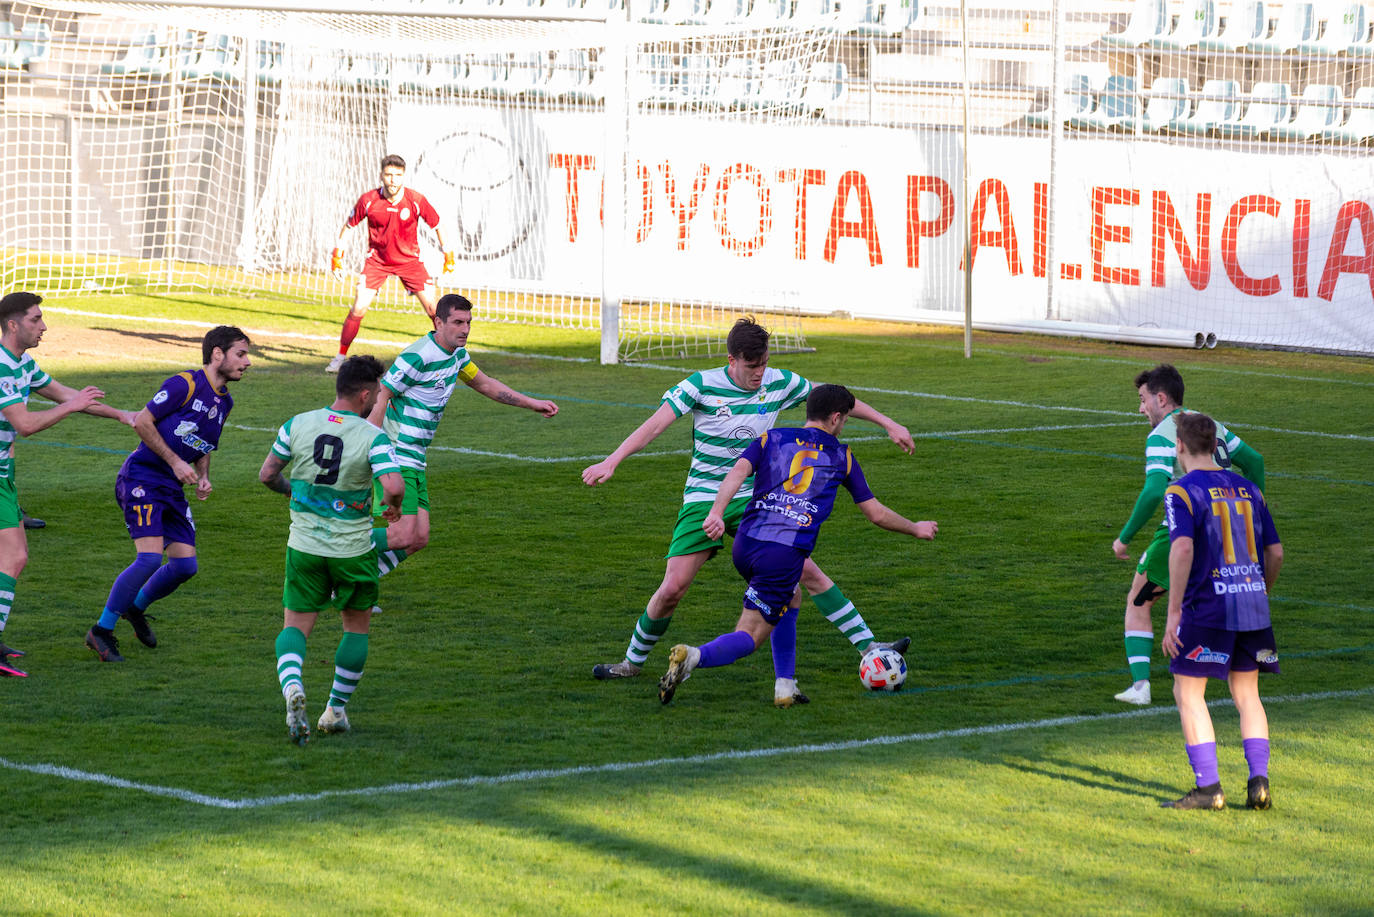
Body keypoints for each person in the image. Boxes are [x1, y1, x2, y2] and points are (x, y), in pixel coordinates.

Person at [582, 317, 916, 705]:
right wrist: (614, 460)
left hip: (757, 498)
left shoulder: (780, 381)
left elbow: (835, 401)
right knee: (673, 587)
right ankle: (631, 662)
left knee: (804, 570)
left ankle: (869, 647)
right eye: (752, 366)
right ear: (732, 359)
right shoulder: (700, 385)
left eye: (764, 364)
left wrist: (887, 422)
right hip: (705, 497)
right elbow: (655, 425)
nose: (759, 373)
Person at [658, 384, 938, 705]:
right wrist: (914, 528)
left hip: (746, 543)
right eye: (845, 419)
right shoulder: (841, 456)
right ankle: (692, 657)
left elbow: (737, 471)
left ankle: (786, 687)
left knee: (792, 597)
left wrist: (718, 513)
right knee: (750, 634)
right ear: (835, 418)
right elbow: (875, 513)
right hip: (782, 554)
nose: (844, 425)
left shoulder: (771, 438)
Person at [85, 326, 252, 663]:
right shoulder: (184, 384)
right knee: (148, 559)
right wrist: (176, 462)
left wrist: (203, 476)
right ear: (217, 354)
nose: (247, 362)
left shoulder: (225, 401)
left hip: (172, 487)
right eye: (241, 354)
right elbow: (143, 422)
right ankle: (101, 630)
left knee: (185, 566)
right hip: (142, 477)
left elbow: (204, 443)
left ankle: (135, 608)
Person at [259, 355, 404, 745]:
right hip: (352, 549)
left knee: (295, 625)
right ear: (365, 393)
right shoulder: (373, 437)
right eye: (376, 394)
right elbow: (392, 484)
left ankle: (292, 687)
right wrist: (393, 505)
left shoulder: (297, 424)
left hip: (304, 546)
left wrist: (294, 493)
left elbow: (267, 474)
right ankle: (335, 710)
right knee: (356, 627)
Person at [367, 293, 558, 587]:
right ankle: (337, 546)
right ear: (438, 321)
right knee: (402, 535)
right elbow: (382, 394)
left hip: (416, 458)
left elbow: (484, 383)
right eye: (457, 322)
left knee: (418, 539)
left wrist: (532, 403)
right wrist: (373, 446)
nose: (465, 329)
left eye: (468, 322)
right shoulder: (417, 356)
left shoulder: (457, 356)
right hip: (395, 453)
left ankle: (353, 581)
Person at [1111, 364, 1265, 706]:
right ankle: (1221, 673)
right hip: (1229, 530)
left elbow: (1154, 491)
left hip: (1182, 530)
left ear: (1161, 398)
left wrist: (1124, 537)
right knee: (1209, 601)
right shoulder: (1210, 425)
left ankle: (1141, 688)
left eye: (1143, 399)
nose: (1141, 408)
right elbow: (1254, 462)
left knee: (1139, 600)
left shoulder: (1164, 433)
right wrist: (1255, 514)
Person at [0, 291, 135, 677]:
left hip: (4, 475)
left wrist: (124, 416)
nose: (44, 326)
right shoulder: (2, 367)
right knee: (14, 557)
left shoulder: (22, 363)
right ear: (13, 324)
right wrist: (71, 407)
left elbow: (68, 395)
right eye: (36, 319)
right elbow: (25, 425)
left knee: (11, 556)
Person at [1159, 412, 1282, 810]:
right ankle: (1258, 784)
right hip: (1252, 607)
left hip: (1208, 607)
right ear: (1216, 447)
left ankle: (1209, 788)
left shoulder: (1181, 492)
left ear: (1180, 447)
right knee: (1247, 693)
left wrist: (1174, 611)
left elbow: (1181, 549)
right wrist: (1260, 589)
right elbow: (1275, 552)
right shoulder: (1250, 489)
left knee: (1188, 691)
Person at [327, 154, 454, 373]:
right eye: (389, 175)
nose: (393, 180)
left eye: (397, 175)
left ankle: (451, 356)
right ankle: (339, 358)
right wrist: (337, 257)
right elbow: (348, 227)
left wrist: (448, 257)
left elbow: (438, 225)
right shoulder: (368, 201)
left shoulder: (415, 200)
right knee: (358, 307)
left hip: (410, 262)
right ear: (381, 176)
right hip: (377, 262)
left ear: (404, 176)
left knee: (435, 309)